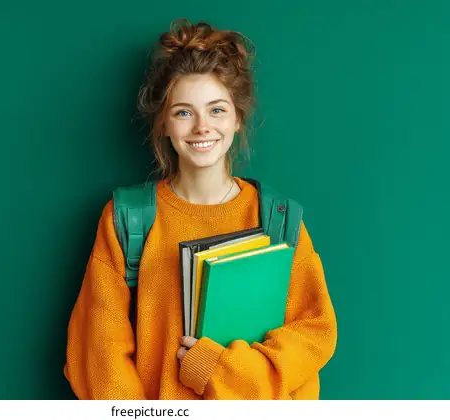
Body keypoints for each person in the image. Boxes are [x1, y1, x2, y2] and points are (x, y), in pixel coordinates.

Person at [63, 18, 337, 400]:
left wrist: (215, 369)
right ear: (163, 124)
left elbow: (314, 333)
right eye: (183, 112)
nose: (202, 127)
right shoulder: (129, 220)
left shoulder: (277, 220)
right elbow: (98, 356)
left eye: (217, 110)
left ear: (237, 118)